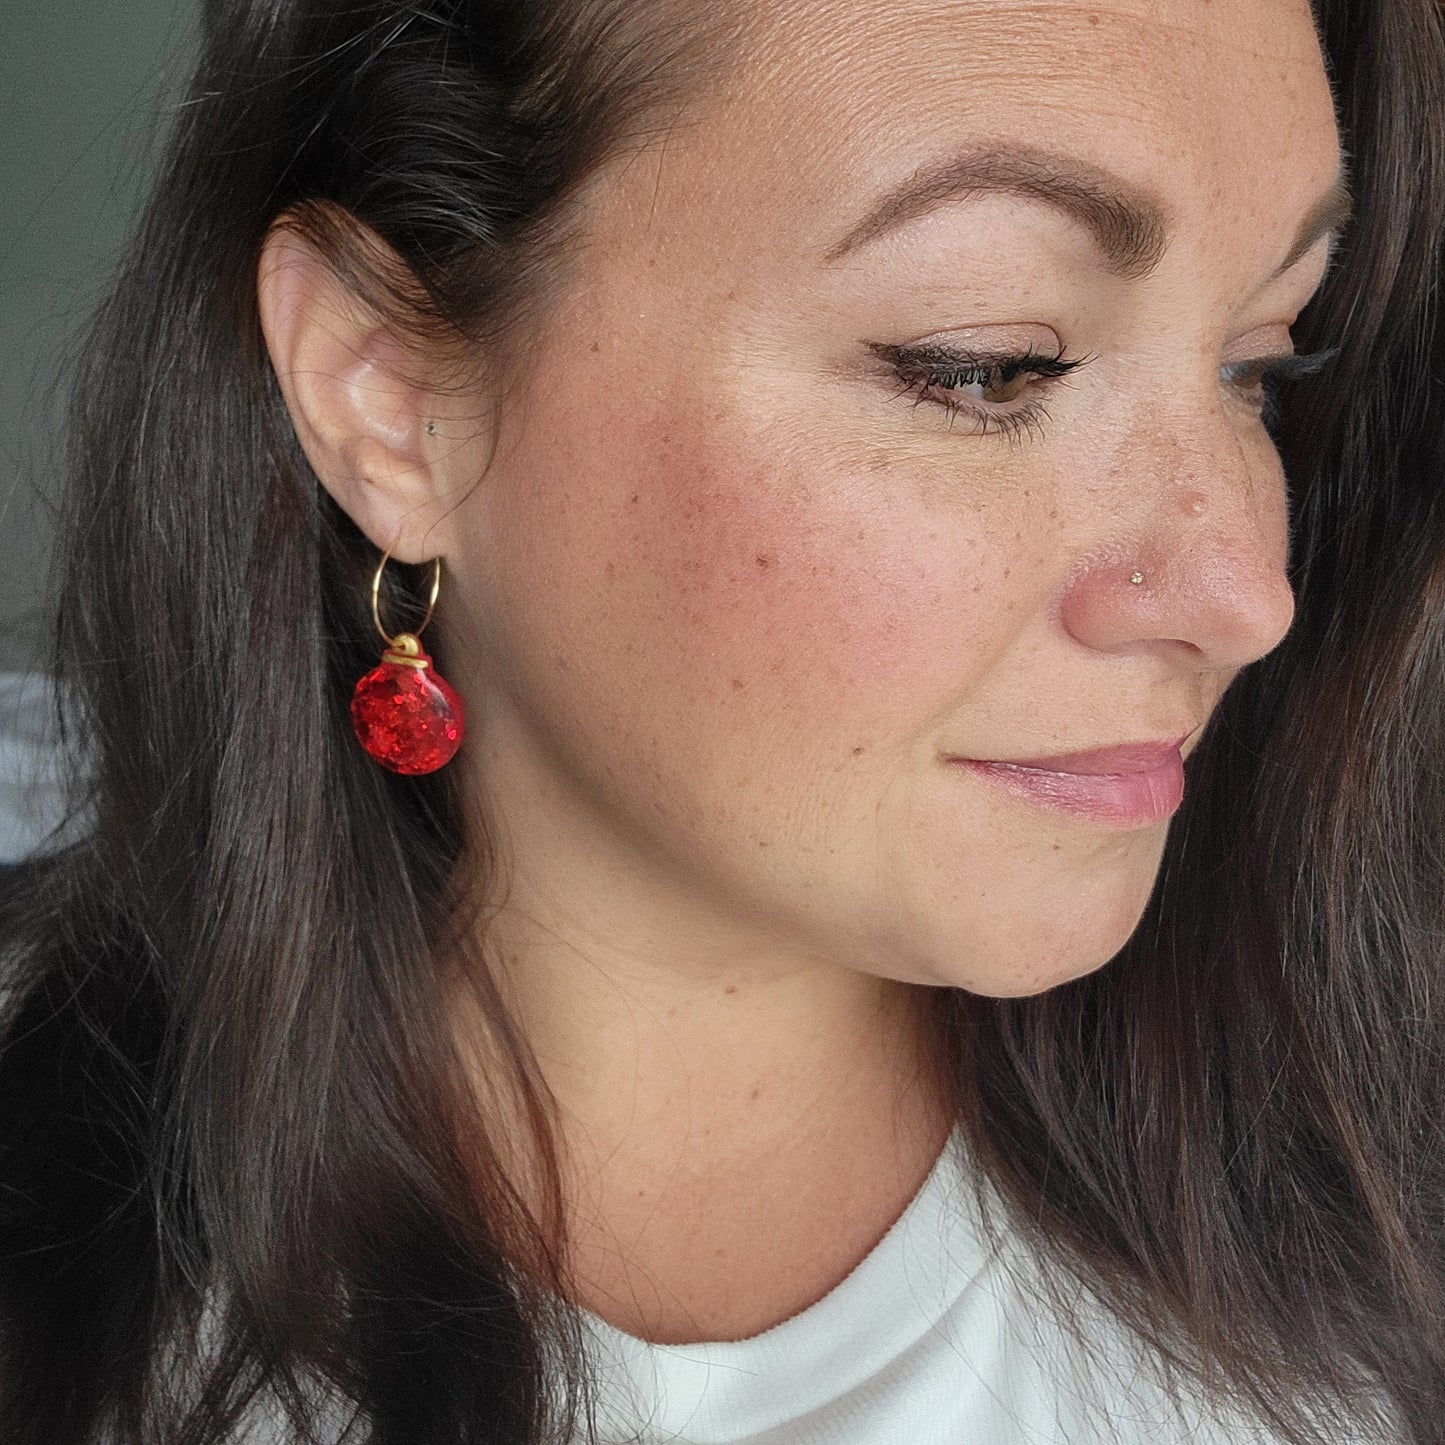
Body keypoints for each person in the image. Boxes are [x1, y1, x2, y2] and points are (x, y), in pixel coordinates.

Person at [0, 0, 1442, 1440]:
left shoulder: (1378, 1257)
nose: (1243, 591)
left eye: (1259, 358)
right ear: (383, 396)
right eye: (988, 363)